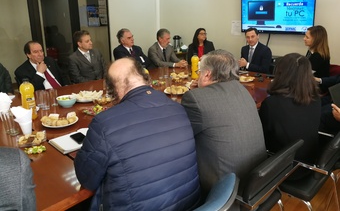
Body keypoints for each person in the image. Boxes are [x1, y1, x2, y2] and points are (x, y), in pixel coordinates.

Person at [74, 57, 201, 210]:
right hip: (190, 205)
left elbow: (87, 179)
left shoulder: (104, 123)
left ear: (112, 90)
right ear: (144, 76)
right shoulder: (178, 108)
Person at [181, 49, 267, 200]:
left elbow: (181, 137)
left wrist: (197, 94)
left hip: (225, 185)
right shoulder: (243, 89)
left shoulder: (195, 99)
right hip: (258, 177)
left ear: (207, 74)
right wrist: (200, 92)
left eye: (199, 71)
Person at [259, 53, 321, 168]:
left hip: (281, 169)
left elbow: (260, 139)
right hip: (309, 164)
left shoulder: (272, 104)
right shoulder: (315, 98)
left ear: (280, 74)